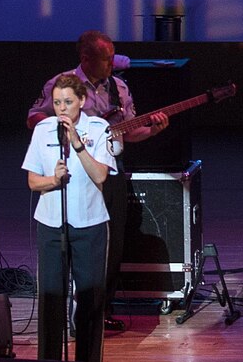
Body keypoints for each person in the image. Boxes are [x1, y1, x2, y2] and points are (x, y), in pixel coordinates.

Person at [27, 31, 168, 333]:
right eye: (106, 59)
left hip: (108, 173)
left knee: (110, 247)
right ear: (86, 58)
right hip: (72, 177)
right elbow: (34, 117)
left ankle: (99, 312)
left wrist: (153, 130)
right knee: (74, 245)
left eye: (112, 58)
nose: (111, 65)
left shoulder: (118, 88)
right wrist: (66, 129)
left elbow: (127, 132)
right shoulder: (62, 85)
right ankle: (67, 315)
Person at [24, 73, 117, 362]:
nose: (61, 109)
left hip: (90, 224)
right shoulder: (43, 130)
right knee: (51, 297)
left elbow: (101, 175)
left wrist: (77, 144)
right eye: (56, 103)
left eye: (67, 102)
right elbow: (32, 181)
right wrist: (53, 179)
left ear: (82, 101)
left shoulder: (99, 129)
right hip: (51, 225)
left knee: (89, 298)